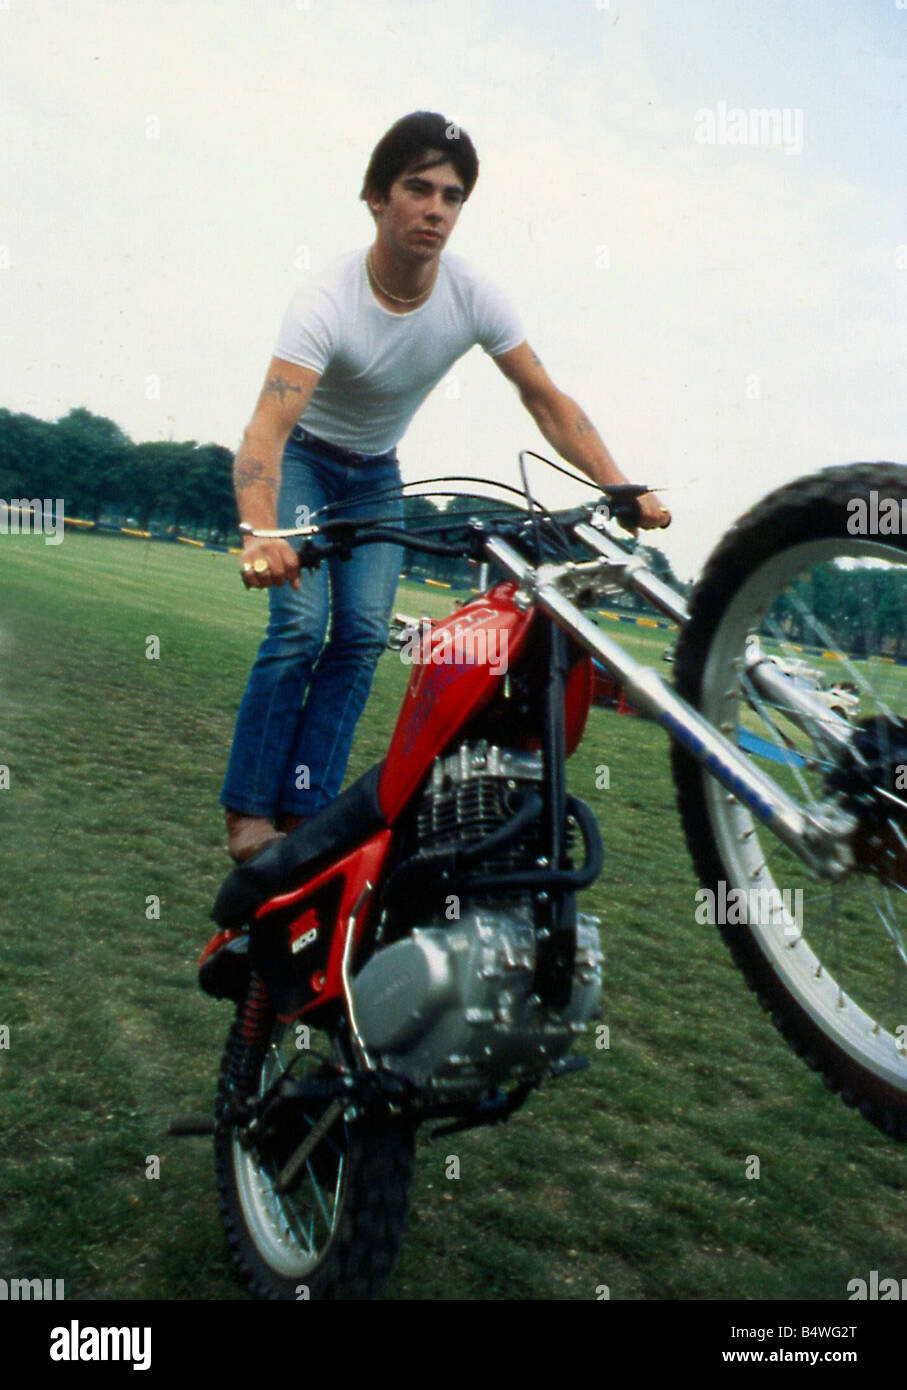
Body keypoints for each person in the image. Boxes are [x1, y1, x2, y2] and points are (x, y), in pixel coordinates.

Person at [220, 110, 670, 862]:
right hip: (305, 458)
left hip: (375, 472)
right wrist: (261, 530)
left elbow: (544, 398)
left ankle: (304, 811)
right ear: (375, 197)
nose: (435, 209)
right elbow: (265, 431)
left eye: (452, 196)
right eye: (417, 188)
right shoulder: (326, 299)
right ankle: (247, 813)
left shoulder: (473, 295)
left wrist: (620, 486)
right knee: (299, 627)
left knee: (362, 634)